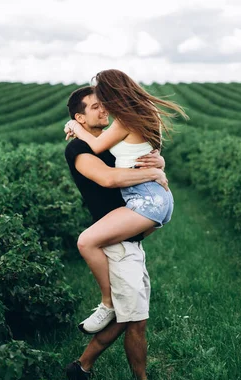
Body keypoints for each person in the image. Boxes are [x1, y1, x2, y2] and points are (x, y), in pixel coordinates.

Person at [64, 69, 187, 335]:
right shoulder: (138, 117)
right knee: (131, 303)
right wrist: (158, 166)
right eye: (96, 104)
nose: (103, 105)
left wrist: (75, 127)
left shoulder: (123, 122)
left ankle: (107, 304)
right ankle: (90, 356)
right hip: (153, 198)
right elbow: (141, 153)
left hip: (146, 199)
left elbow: (98, 151)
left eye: (103, 97)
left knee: (86, 241)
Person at [63, 84, 168, 380]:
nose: (103, 109)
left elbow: (137, 162)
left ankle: (83, 366)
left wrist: (157, 163)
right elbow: (109, 179)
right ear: (79, 118)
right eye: (95, 107)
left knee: (132, 314)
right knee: (133, 317)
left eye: (104, 105)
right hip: (115, 242)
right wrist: (152, 174)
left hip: (127, 236)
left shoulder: (109, 145)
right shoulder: (78, 149)